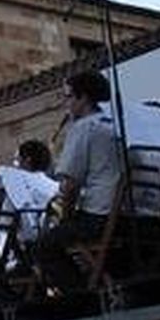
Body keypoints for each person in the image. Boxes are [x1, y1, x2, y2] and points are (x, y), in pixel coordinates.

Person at [33, 71, 123, 293]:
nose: (66, 103)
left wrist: (64, 216)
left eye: (68, 97)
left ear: (83, 98)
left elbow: (70, 184)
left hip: (100, 215)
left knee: (44, 246)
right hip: (123, 212)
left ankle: (82, 297)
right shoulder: (113, 123)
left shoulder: (83, 128)